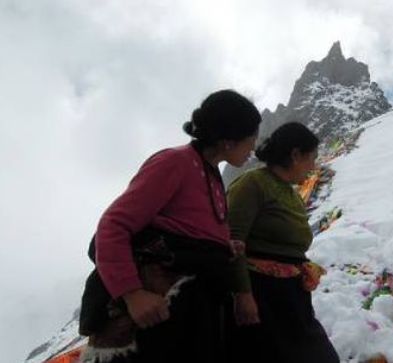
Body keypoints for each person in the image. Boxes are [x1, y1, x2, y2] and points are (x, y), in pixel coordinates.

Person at [79, 90, 261, 362]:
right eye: (251, 139)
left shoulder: (210, 173)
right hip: (158, 313)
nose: (253, 148)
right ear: (228, 141)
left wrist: (222, 247)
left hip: (194, 312)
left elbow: (185, 228)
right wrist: (132, 295)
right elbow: (113, 225)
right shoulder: (174, 163)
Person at [226, 122, 339, 363]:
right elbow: (232, 240)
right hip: (261, 295)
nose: (313, 166)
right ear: (295, 155)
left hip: (291, 296)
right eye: (311, 158)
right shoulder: (253, 183)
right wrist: (243, 295)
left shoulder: (291, 193)